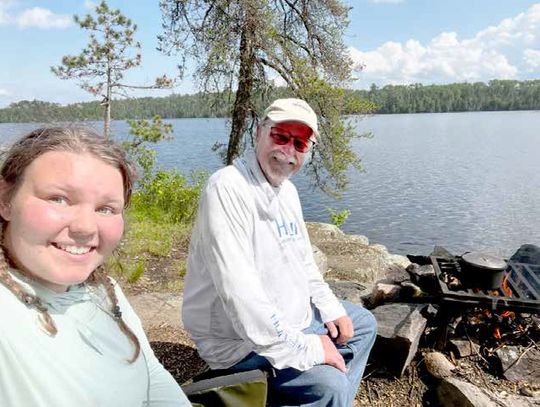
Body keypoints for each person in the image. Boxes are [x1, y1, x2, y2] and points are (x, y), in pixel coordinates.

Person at [183, 98, 378, 406]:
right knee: (331, 388)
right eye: (281, 136)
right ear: (259, 132)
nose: (288, 150)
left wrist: (330, 307)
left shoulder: (287, 191)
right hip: (240, 342)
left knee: (364, 325)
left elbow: (302, 260)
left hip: (291, 319)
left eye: (299, 144)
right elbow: (241, 297)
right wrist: (312, 349)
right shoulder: (227, 188)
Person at [0, 127, 191, 407]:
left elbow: (151, 375)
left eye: (106, 209)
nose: (85, 228)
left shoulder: (104, 291)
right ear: (5, 199)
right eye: (59, 199)